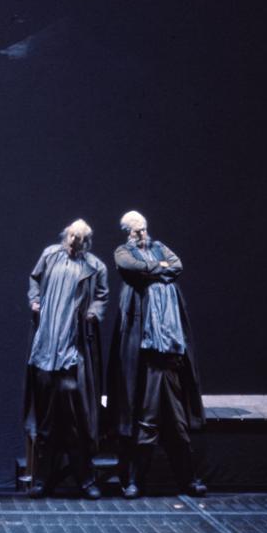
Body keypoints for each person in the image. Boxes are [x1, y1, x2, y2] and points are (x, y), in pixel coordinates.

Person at [109, 211, 208, 497]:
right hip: (146, 356)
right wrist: (158, 268)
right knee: (146, 420)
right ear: (127, 232)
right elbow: (131, 267)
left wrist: (151, 268)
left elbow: (176, 265)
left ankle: (188, 480)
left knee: (177, 423)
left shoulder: (160, 246)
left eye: (143, 229)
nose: (141, 234)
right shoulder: (122, 252)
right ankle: (133, 481)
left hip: (171, 353)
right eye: (135, 230)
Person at [24, 219, 110, 498]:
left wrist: (93, 313)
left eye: (79, 238)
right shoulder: (50, 255)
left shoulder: (95, 266)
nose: (73, 241)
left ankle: (86, 480)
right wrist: (35, 300)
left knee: (76, 422)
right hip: (46, 348)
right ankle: (41, 480)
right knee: (46, 421)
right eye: (71, 236)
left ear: (86, 241)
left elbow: (102, 295)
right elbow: (35, 278)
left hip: (73, 352)